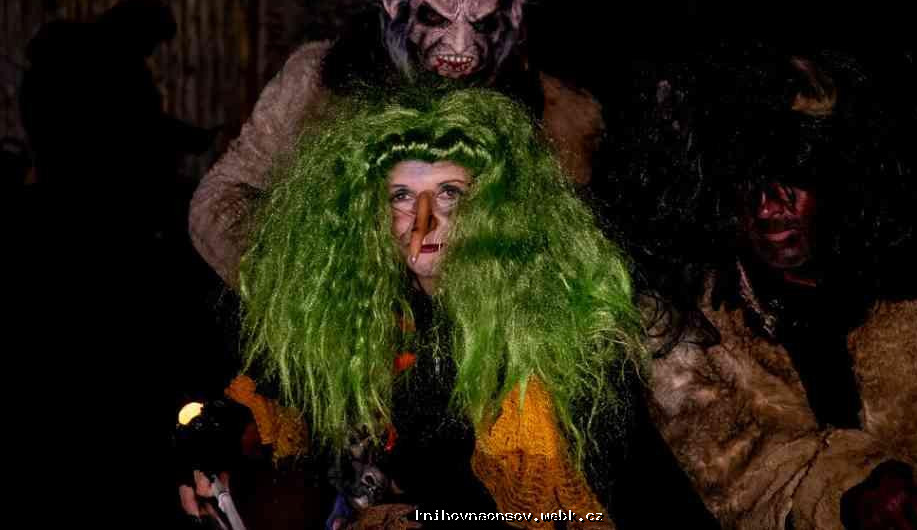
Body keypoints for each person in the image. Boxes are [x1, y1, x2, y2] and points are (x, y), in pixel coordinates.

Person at [601, 45, 917, 529]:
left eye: (791, 174)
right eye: (744, 181)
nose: (766, 207)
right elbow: (732, 472)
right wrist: (843, 490)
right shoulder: (683, 325)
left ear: (841, 167)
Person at [229, 88, 645, 529]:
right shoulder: (364, 310)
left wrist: (417, 516)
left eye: (448, 193)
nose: (424, 221)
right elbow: (272, 403)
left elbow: (563, 510)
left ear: (493, 208)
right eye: (402, 196)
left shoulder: (544, 334)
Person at [190, 0, 603, 289]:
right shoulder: (316, 81)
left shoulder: (557, 112)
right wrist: (301, 286)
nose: (460, 43)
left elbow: (575, 251)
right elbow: (219, 200)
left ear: (513, 7)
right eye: (435, 16)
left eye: (480, 22)